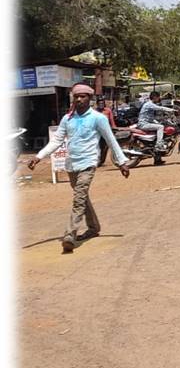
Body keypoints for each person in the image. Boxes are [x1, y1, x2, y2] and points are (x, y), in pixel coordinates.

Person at [27, 83, 131, 253]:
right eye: (76, 96)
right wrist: (38, 156)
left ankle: (70, 235)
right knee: (82, 197)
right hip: (71, 164)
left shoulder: (98, 118)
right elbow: (56, 140)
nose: (79, 99)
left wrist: (121, 162)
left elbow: (110, 139)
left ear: (89, 99)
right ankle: (94, 227)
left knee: (78, 198)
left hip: (88, 163)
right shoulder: (67, 119)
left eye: (83, 96)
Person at [94, 94, 117, 166]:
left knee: (105, 147)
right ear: (97, 104)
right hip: (97, 131)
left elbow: (111, 120)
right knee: (97, 146)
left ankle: (102, 161)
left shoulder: (108, 111)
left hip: (106, 131)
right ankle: (96, 161)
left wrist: (114, 128)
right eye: (99, 103)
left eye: (102, 103)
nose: (101, 104)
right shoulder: (94, 111)